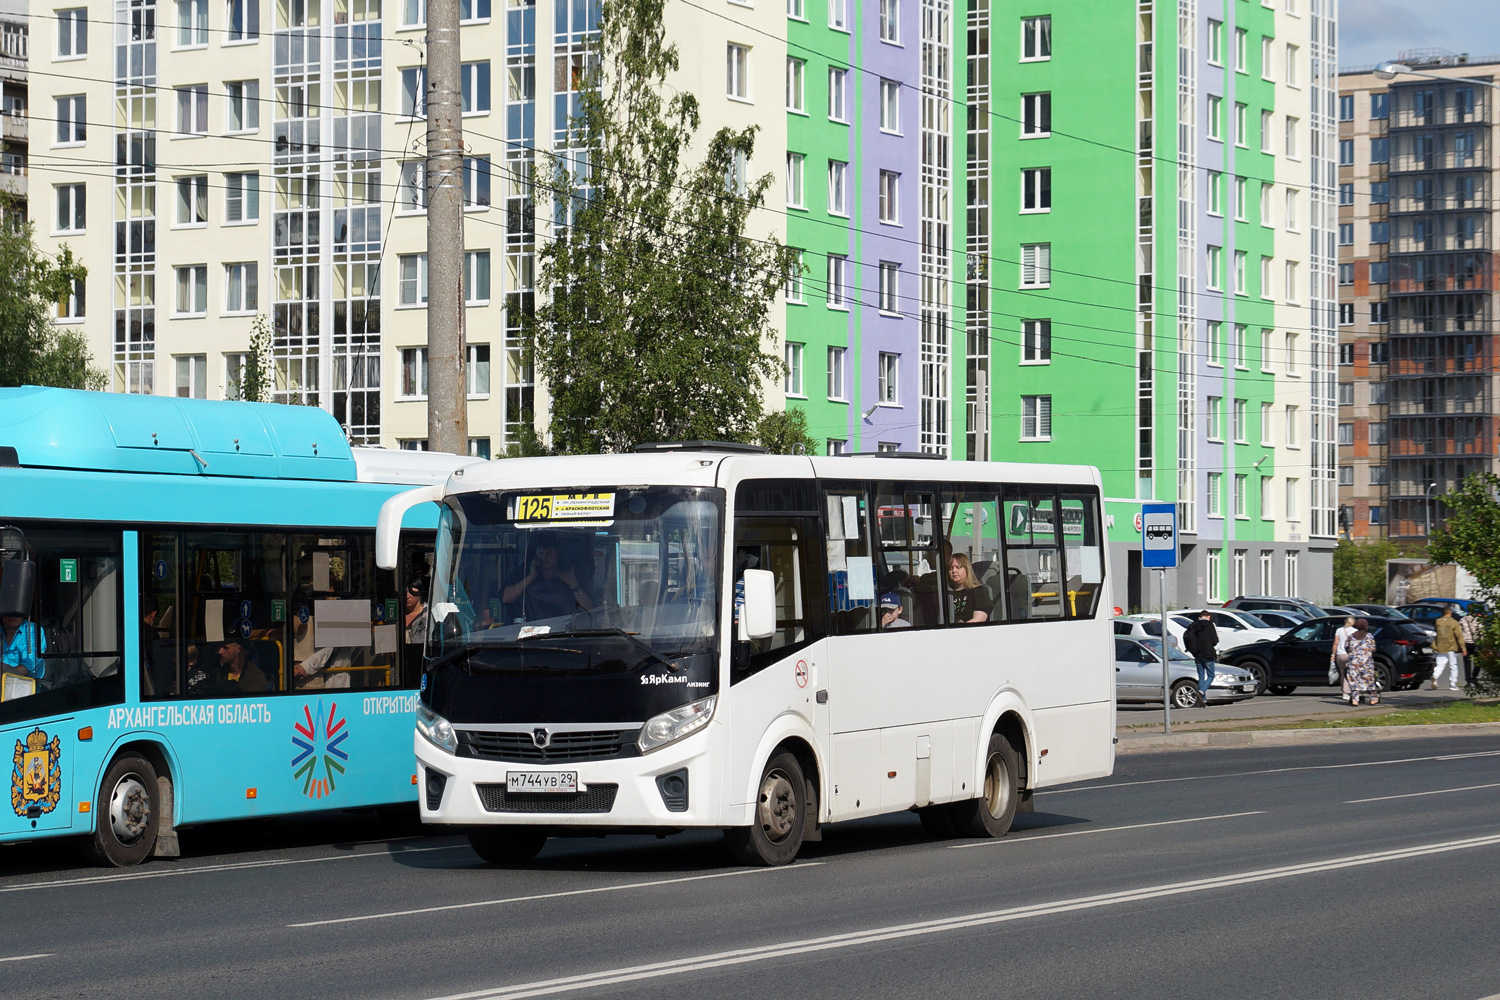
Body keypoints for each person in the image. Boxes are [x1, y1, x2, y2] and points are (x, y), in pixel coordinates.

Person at [501, 535, 592, 620]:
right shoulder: (524, 571)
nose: (544, 557)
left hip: (564, 631)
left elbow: (588, 609)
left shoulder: (570, 574)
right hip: (526, 632)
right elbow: (506, 598)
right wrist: (530, 577)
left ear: (558, 554)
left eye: (549, 553)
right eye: (540, 553)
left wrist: (574, 584)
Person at [1182, 609, 1218, 702]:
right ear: (1208, 617)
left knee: (1201, 676)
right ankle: (1201, 692)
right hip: (1208, 653)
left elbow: (1187, 638)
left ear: (1199, 617)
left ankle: (1203, 699)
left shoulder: (1193, 625)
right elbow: (1215, 640)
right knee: (1211, 675)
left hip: (1197, 654)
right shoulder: (1210, 625)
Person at [946, 553, 992, 623]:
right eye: (950, 568)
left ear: (967, 569)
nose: (954, 571)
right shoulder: (945, 593)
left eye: (958, 567)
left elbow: (979, 619)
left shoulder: (979, 591)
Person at [1, 613, 46, 680]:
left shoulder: (33, 630)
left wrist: (4, 676)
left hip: (28, 685)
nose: (12, 615)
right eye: (8, 609)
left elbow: (28, 665)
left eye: (16, 611)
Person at [1346, 618, 1380, 706]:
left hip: (1353, 662)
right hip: (1366, 662)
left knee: (1354, 680)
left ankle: (1355, 699)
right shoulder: (1369, 636)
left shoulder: (1351, 636)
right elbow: (1373, 649)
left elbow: (1346, 647)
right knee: (1369, 680)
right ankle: (1373, 698)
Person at [1431, 604, 1464, 690]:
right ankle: (1453, 684)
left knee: (1440, 665)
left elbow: (1436, 632)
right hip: (1451, 647)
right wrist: (1463, 648)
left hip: (1440, 646)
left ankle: (1435, 676)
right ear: (1451, 612)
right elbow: (1459, 636)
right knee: (1453, 666)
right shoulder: (1454, 622)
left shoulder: (1438, 621)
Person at [1332, 616, 1357, 704]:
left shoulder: (1339, 630)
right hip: (1349, 654)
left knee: (1343, 673)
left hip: (1340, 654)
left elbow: (1336, 643)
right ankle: (1351, 691)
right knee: (1351, 673)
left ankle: (1345, 692)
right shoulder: (1354, 631)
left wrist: (1333, 655)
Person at [1462, 606, 1484, 685]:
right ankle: (1474, 676)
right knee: (1478, 662)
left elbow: (1460, 632)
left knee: (1467, 663)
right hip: (1476, 643)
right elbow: (1481, 632)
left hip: (1466, 643)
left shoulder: (1462, 620)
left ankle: (1468, 681)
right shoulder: (1478, 620)